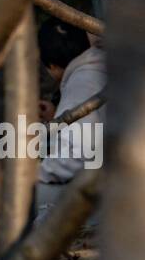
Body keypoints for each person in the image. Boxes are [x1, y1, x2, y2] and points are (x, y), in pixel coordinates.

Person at [35, 19, 105, 212]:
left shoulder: (82, 82)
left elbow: (72, 157)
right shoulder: (102, 67)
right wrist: (56, 115)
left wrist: (33, 174)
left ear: (53, 66)